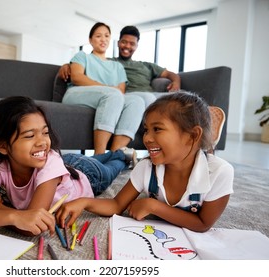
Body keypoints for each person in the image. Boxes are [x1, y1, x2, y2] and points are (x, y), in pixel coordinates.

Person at [56, 92, 234, 233]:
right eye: (146, 130)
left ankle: (209, 142)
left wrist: (154, 206)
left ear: (193, 135)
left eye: (157, 129)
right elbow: (116, 205)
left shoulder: (220, 172)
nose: (147, 138)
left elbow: (202, 223)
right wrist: (84, 202)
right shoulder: (146, 167)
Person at [0, 96, 131, 236]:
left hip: (88, 175)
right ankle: (114, 155)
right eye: (29, 136)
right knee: (97, 158)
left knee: (112, 168)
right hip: (65, 164)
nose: (42, 141)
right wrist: (13, 216)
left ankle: (121, 155)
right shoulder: (1, 166)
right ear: (3, 146)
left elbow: (30, 228)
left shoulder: (50, 164)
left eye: (45, 132)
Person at [61, 22, 145, 155]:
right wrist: (108, 88)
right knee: (113, 94)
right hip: (76, 94)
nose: (103, 39)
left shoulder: (117, 66)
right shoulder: (83, 56)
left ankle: (112, 155)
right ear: (90, 40)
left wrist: (110, 91)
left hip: (108, 98)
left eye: (106, 36)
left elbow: (121, 91)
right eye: (98, 36)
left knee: (137, 101)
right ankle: (99, 156)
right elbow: (77, 77)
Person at [59, 25, 181, 108]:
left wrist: (176, 82)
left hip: (151, 96)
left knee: (182, 99)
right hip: (129, 97)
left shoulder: (146, 66)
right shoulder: (110, 63)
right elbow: (91, 62)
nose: (127, 46)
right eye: (124, 42)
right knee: (150, 99)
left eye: (132, 44)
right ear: (118, 43)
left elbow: (170, 74)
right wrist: (67, 65)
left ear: (137, 46)